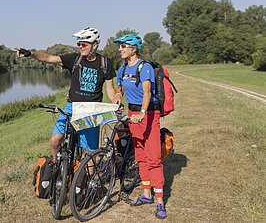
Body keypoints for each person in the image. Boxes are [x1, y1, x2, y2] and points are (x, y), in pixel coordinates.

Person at [15, 27, 119, 159]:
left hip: (91, 111)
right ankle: (56, 168)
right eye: (78, 44)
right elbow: (49, 58)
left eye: (84, 44)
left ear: (94, 45)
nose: (80, 47)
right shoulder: (75, 59)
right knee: (55, 140)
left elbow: (110, 88)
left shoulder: (105, 63)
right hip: (72, 107)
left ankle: (87, 179)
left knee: (90, 152)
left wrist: (114, 99)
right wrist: (30, 54)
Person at [113, 33, 167, 219]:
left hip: (149, 113)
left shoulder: (144, 68)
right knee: (141, 156)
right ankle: (146, 194)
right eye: (119, 46)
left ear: (133, 49)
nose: (120, 49)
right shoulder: (122, 68)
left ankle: (160, 200)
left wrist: (142, 113)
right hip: (132, 114)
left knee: (153, 158)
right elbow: (120, 88)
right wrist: (119, 96)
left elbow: (146, 93)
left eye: (123, 46)